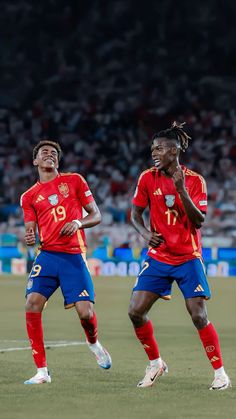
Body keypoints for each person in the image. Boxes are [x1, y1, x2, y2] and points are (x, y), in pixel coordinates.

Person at [128, 122, 231, 390]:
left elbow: (199, 221)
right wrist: (143, 233)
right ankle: (155, 363)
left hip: (187, 257)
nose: (154, 153)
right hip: (158, 256)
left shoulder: (195, 180)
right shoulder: (147, 178)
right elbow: (135, 214)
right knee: (135, 312)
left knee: (198, 316)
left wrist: (181, 189)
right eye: (153, 149)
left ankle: (220, 373)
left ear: (174, 150)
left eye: (159, 148)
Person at [20, 139, 112, 384]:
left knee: (85, 313)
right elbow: (30, 229)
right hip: (47, 255)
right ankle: (42, 371)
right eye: (44, 152)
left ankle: (93, 342)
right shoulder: (28, 196)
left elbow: (96, 215)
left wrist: (79, 222)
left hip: (73, 254)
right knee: (32, 304)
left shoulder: (74, 181)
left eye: (53, 153)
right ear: (35, 161)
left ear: (57, 161)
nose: (49, 155)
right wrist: (30, 236)